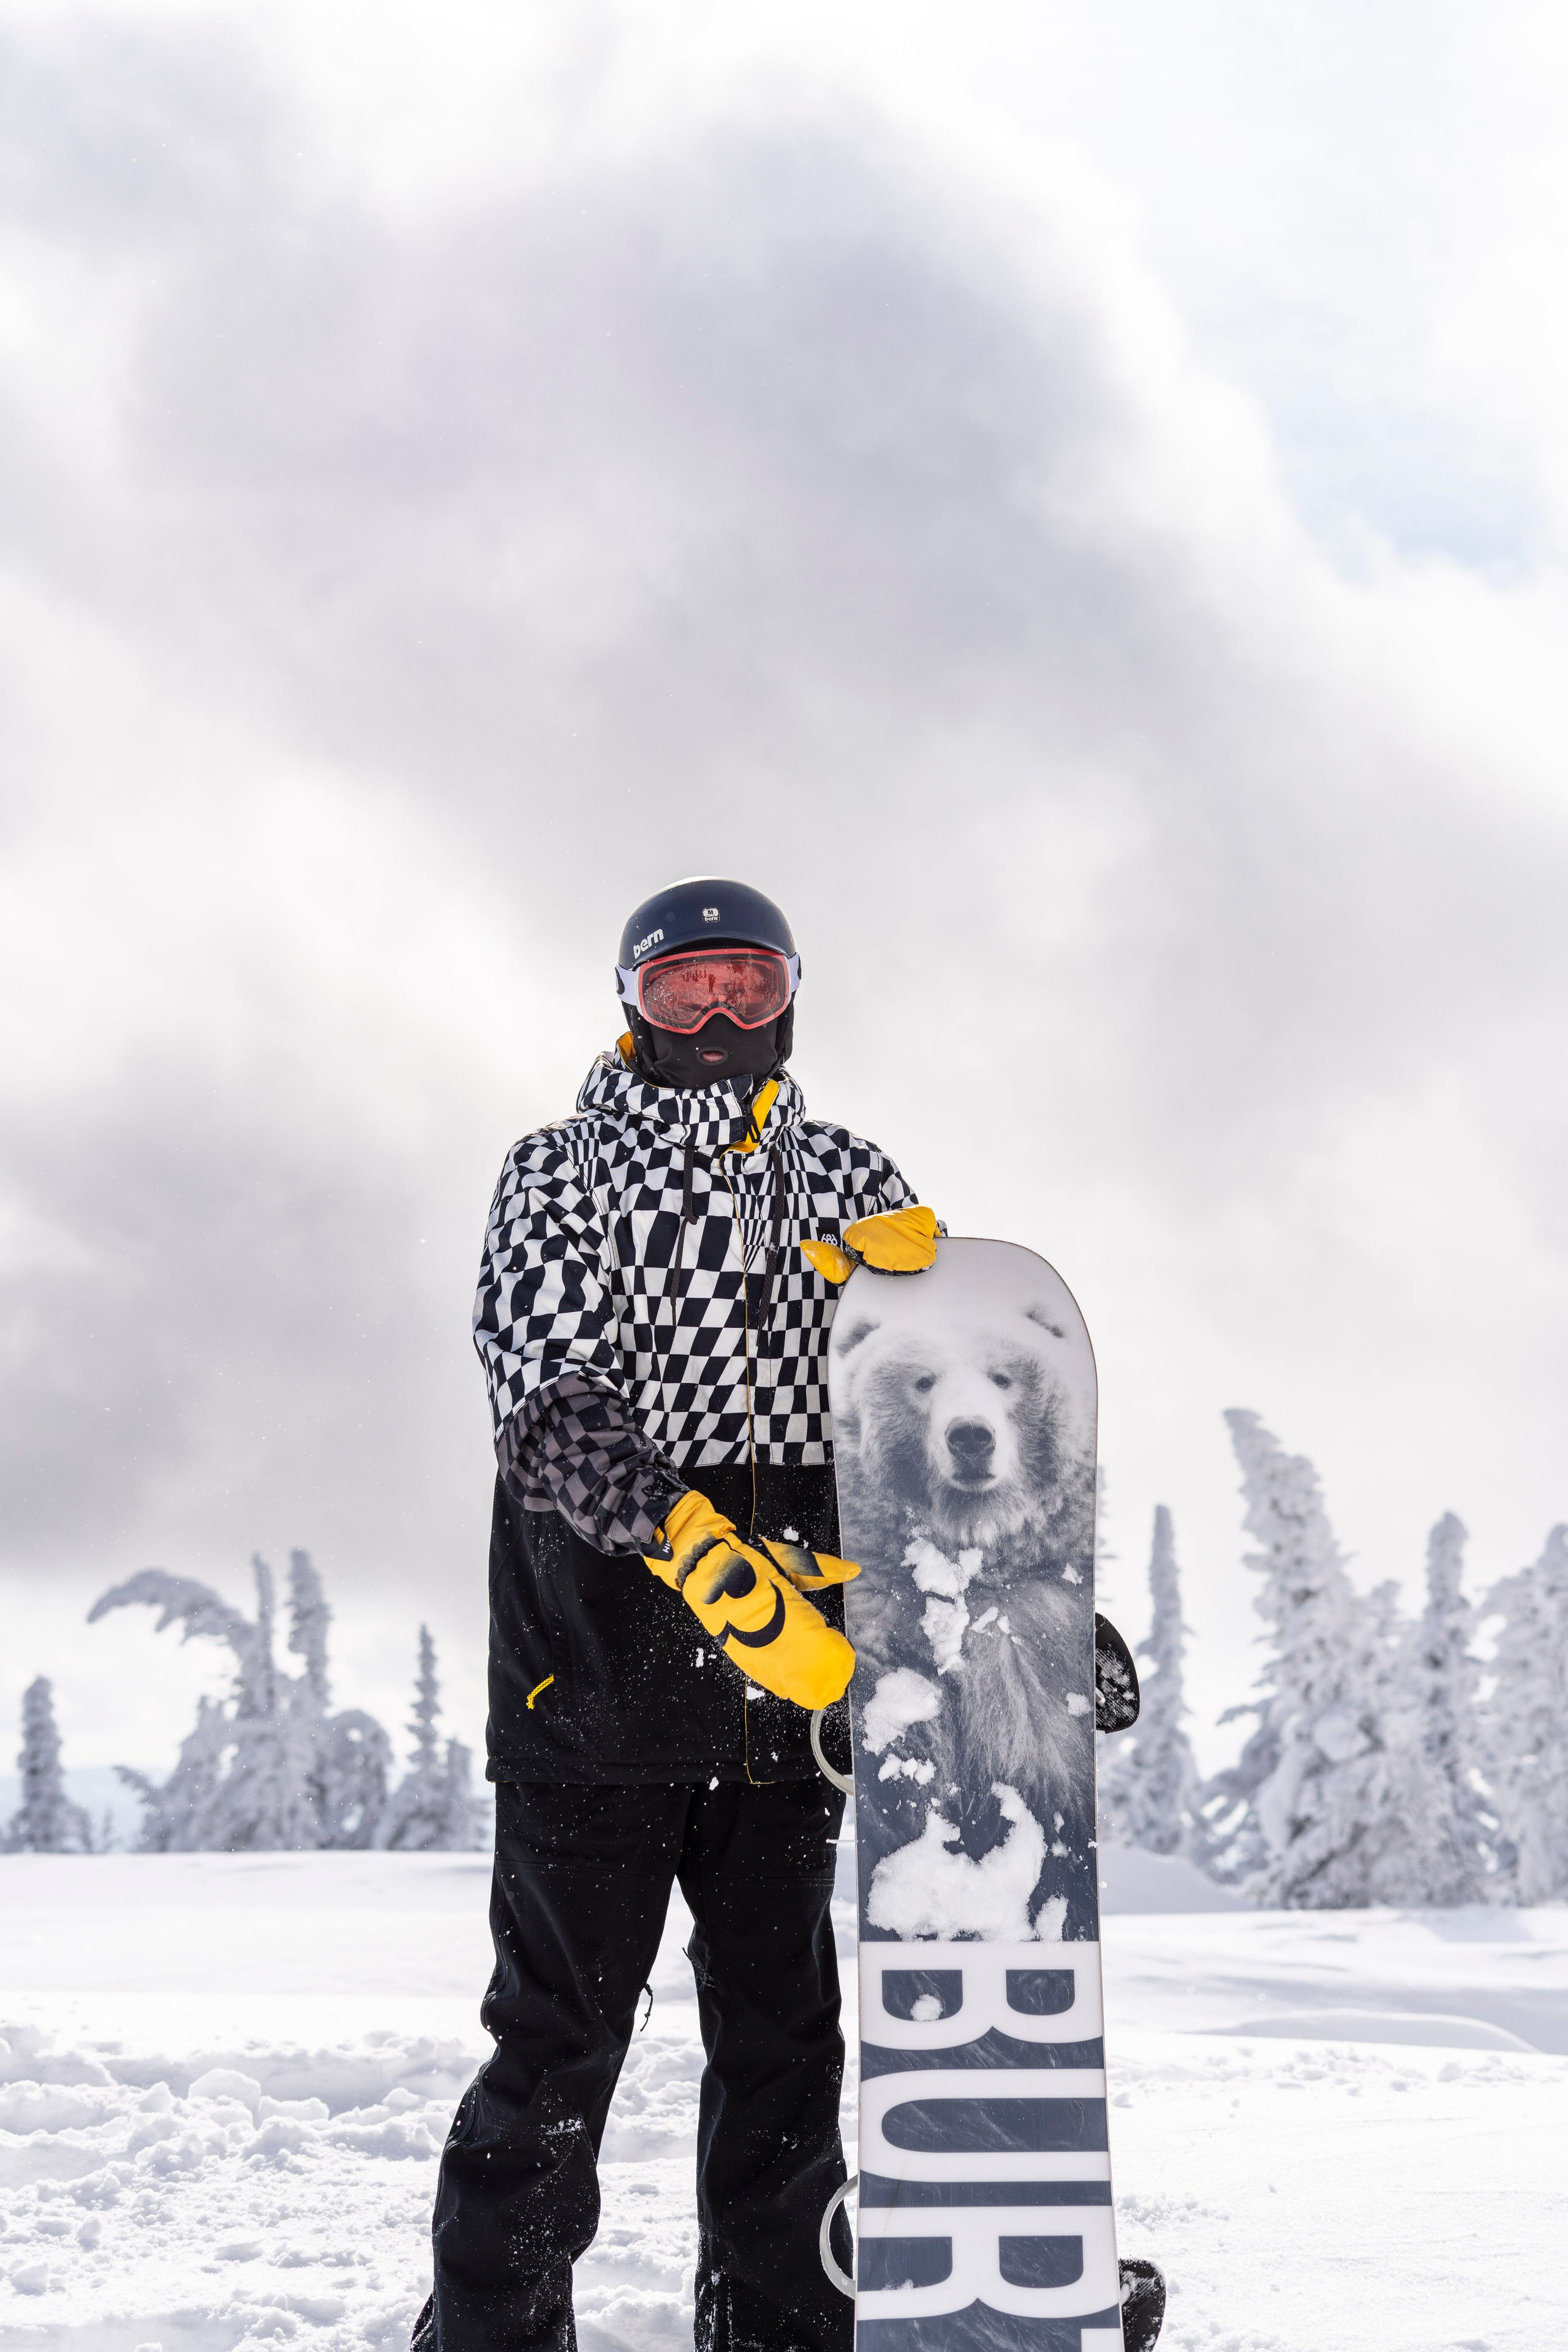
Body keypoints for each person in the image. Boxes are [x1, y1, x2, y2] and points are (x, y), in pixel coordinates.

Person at [413, 876, 940, 2352]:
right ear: (628, 1002)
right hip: (594, 1687)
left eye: (748, 986)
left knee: (783, 2047)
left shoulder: (845, 1175)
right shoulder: (560, 1171)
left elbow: (927, 1419)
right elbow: (552, 1405)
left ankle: (776, 2332)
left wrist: (1006, 1604)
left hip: (787, 1713)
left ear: (792, 996)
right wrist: (695, 1550)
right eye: (682, 988)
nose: (717, 1017)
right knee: (556, 2046)